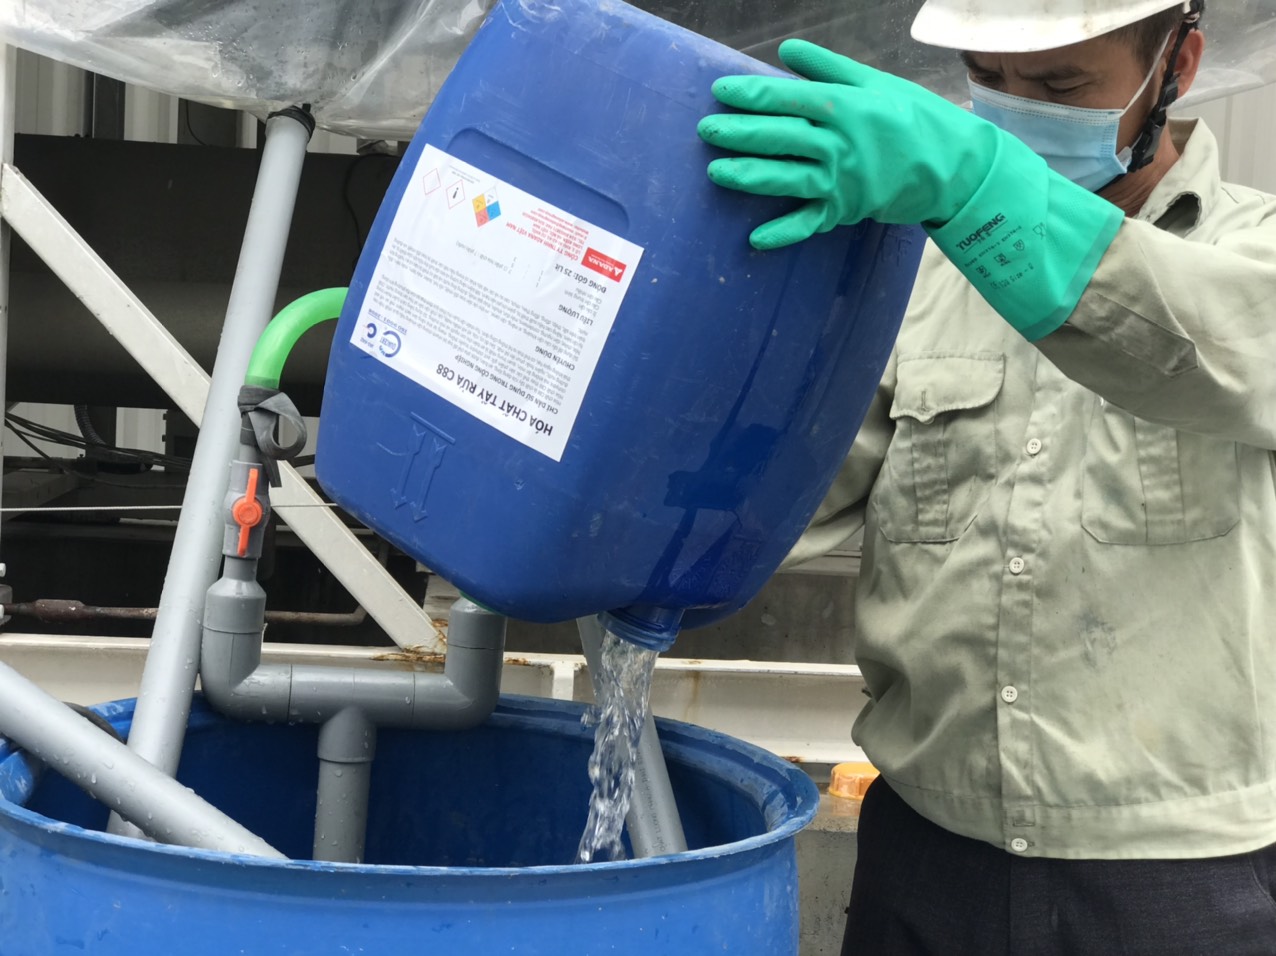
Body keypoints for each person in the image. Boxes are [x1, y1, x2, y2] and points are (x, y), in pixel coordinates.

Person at [698, 1, 1276, 952]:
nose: (1016, 112)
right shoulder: (917, 275)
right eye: (988, 79)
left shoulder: (1251, 254)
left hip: (1178, 878)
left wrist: (976, 189)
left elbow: (1193, 340)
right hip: (930, 856)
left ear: (1177, 66)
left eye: (1060, 85)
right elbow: (787, 500)